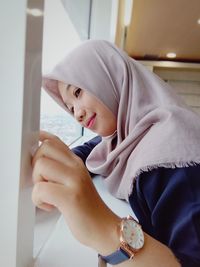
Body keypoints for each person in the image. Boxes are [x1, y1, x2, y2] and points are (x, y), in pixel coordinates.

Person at [32, 40, 200, 267]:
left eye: (78, 92)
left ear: (110, 77)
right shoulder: (128, 134)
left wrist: (103, 229)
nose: (77, 115)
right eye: (70, 108)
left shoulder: (172, 154)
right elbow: (91, 149)